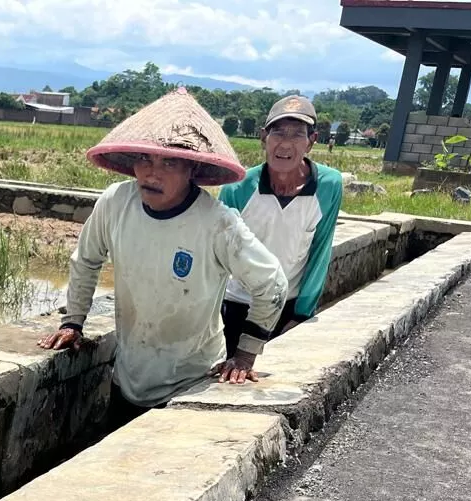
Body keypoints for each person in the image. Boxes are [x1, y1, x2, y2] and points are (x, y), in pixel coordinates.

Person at [38, 87, 288, 422]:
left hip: (191, 383)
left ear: (192, 169)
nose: (152, 173)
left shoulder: (217, 224)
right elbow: (86, 260)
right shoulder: (115, 203)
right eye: (145, 159)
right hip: (128, 376)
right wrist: (74, 321)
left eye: (169, 162)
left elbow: (272, 284)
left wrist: (245, 354)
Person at [219, 95, 343, 357]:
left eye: (297, 134)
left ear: (311, 141)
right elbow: (217, 256)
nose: (285, 143)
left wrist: (302, 313)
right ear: (264, 137)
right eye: (278, 132)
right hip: (237, 303)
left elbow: (321, 249)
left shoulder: (328, 185)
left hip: (289, 305)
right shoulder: (238, 188)